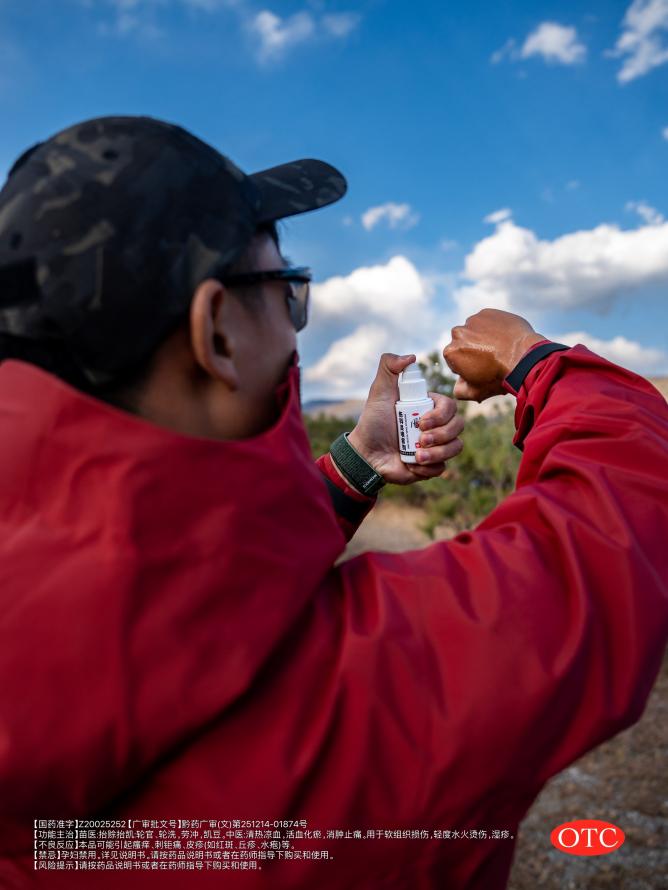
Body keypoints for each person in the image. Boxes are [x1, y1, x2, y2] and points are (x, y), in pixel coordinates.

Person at [0, 116, 666, 890]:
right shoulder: (372, 708)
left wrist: (357, 464)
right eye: (287, 291)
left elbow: (179, 583)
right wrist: (535, 359)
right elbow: (625, 524)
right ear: (216, 333)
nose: (295, 330)